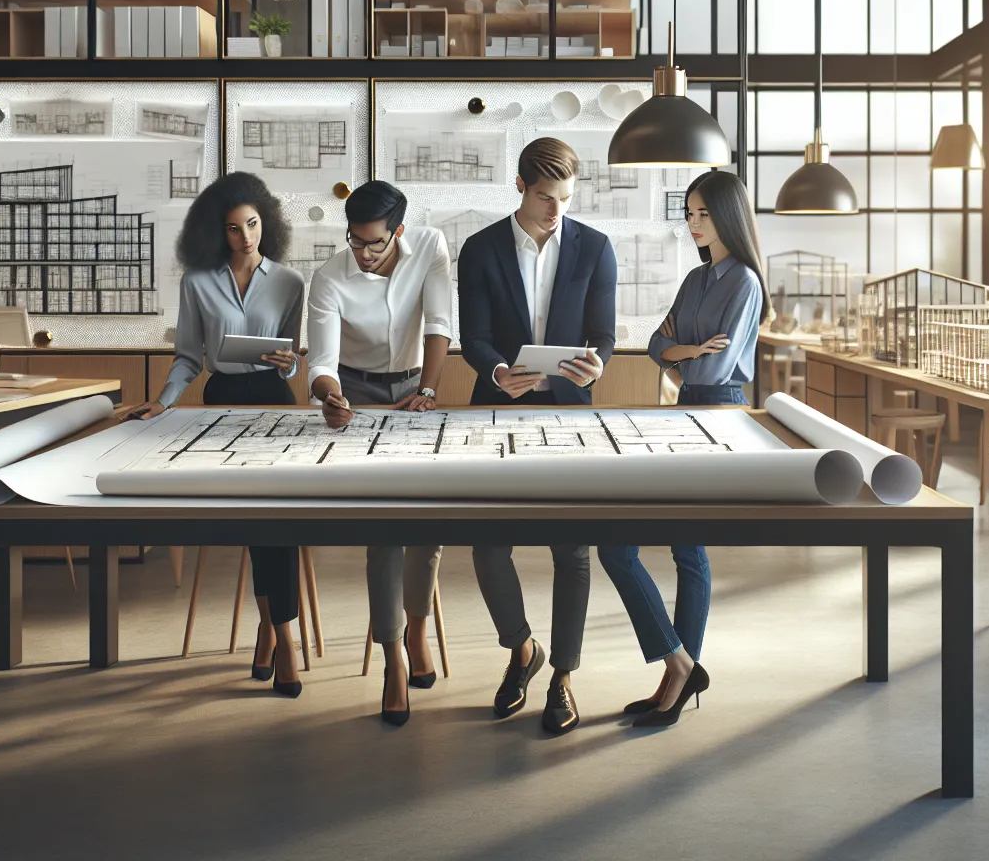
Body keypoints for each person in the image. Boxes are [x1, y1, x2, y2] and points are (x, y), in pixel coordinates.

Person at [124, 172, 307, 698]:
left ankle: (280, 637)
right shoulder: (197, 283)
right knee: (257, 528)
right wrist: (162, 402)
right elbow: (188, 357)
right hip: (223, 403)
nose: (246, 236)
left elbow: (294, 359)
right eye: (233, 228)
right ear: (216, 231)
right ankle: (277, 634)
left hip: (276, 404)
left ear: (265, 222)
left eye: (253, 224)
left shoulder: (291, 282)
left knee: (282, 524)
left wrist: (287, 363)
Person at [457, 137, 616, 735]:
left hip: (570, 415)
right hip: (497, 412)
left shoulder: (596, 248)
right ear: (520, 186)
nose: (556, 212)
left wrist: (597, 363)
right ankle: (522, 649)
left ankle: (564, 677)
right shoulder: (479, 248)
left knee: (571, 551)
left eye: (566, 199)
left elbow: (601, 333)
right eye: (546, 197)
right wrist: (498, 372)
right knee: (488, 544)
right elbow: (473, 336)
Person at [600, 170, 766, 727]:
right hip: (684, 410)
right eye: (689, 214)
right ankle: (681, 663)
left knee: (686, 549)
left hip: (720, 413)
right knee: (621, 547)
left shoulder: (744, 281)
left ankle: (677, 672)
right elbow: (654, 345)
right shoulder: (696, 281)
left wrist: (681, 350)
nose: (693, 224)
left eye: (703, 214)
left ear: (728, 216)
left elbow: (717, 365)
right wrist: (686, 348)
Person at [306, 181, 452, 727]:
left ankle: (417, 628)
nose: (364, 254)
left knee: (429, 525)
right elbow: (320, 361)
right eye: (356, 241)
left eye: (375, 243)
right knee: (384, 530)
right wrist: (330, 396)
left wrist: (431, 390)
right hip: (358, 395)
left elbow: (439, 324)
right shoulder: (328, 277)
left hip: (418, 391)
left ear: (398, 232)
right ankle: (392, 653)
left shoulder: (431, 247)